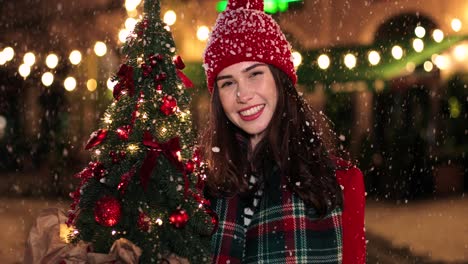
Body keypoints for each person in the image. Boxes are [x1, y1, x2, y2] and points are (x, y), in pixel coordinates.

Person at [200, 0, 366, 263]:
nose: (243, 94)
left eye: (254, 74)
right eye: (228, 83)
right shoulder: (203, 188)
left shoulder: (342, 183)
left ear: (280, 80)